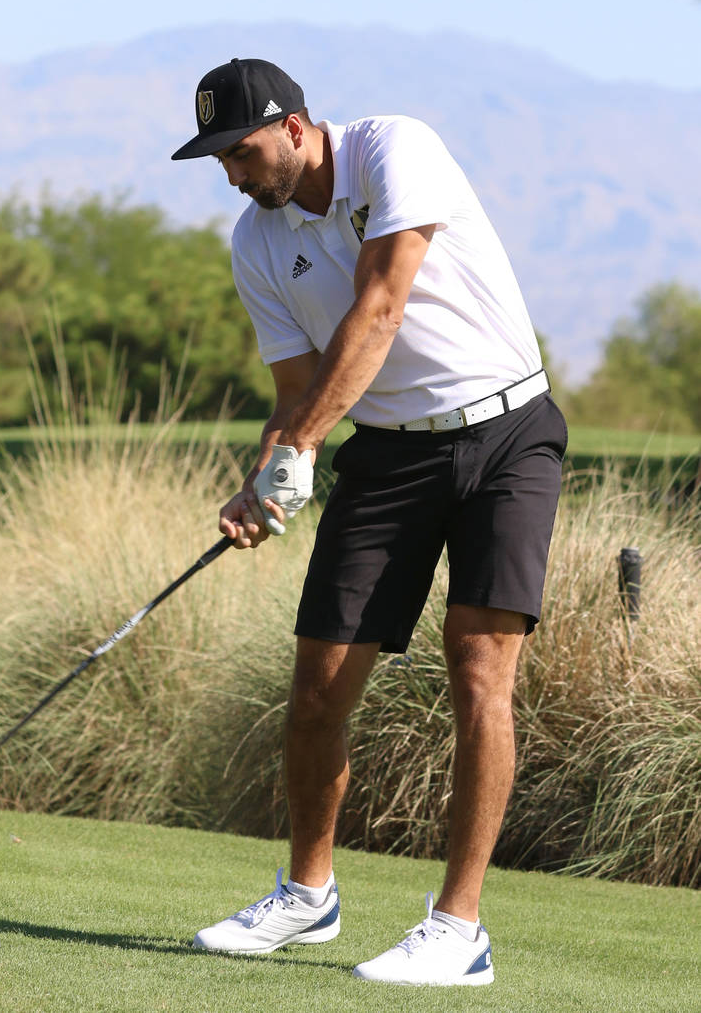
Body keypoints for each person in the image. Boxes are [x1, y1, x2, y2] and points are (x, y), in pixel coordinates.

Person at [171, 57, 566, 987]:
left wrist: (301, 447)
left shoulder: (395, 148)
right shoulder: (255, 242)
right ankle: (308, 896)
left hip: (506, 433)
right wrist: (265, 473)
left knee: (477, 672)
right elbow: (296, 391)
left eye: (240, 148)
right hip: (388, 455)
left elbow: (380, 308)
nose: (231, 171)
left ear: (296, 127)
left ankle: (457, 928)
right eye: (218, 157)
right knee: (317, 686)